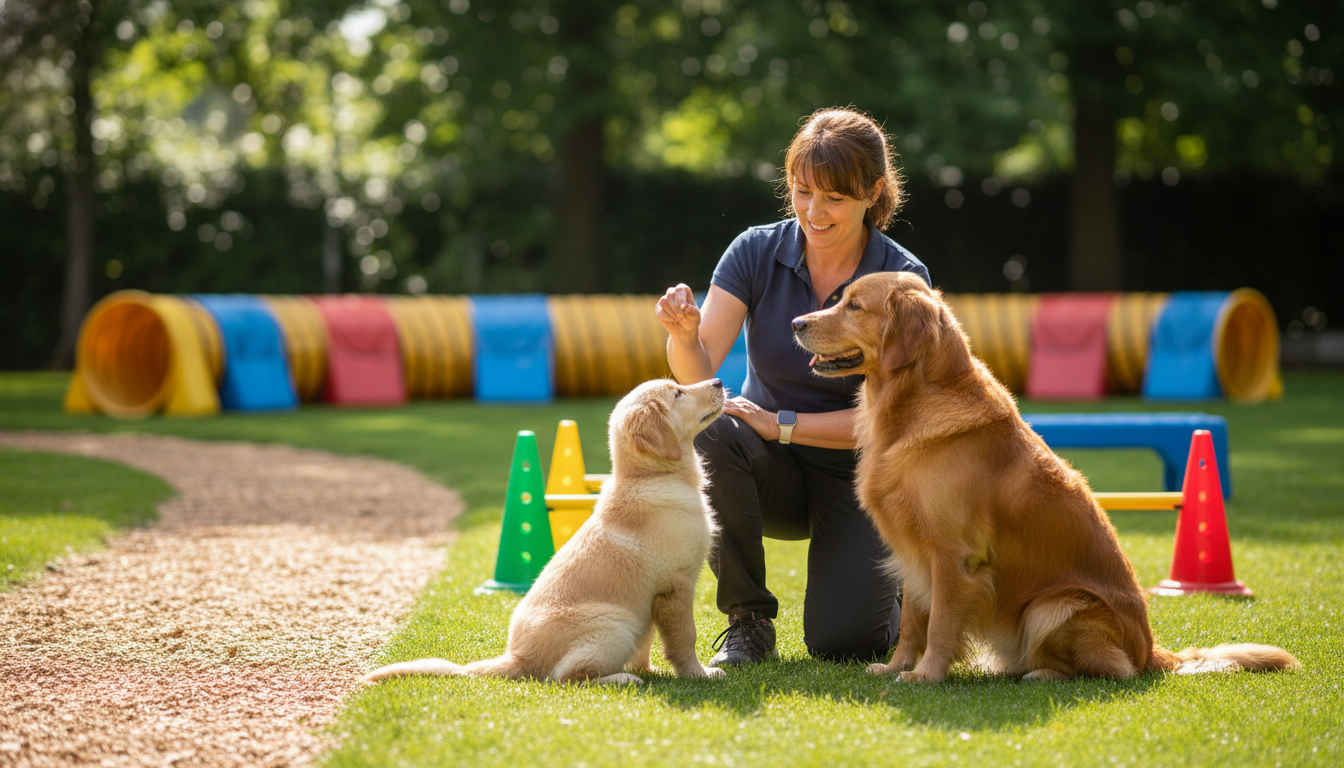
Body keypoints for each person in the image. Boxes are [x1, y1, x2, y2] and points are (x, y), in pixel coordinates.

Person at [654, 107, 931, 665]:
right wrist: (684, 335)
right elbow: (698, 376)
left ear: (873, 192)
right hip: (766, 470)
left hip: (862, 479)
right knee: (712, 430)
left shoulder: (903, 282)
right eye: (803, 191)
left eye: (834, 197)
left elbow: (895, 419)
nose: (814, 212)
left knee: (843, 645)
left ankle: (894, 595)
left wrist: (782, 425)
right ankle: (748, 621)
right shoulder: (754, 250)